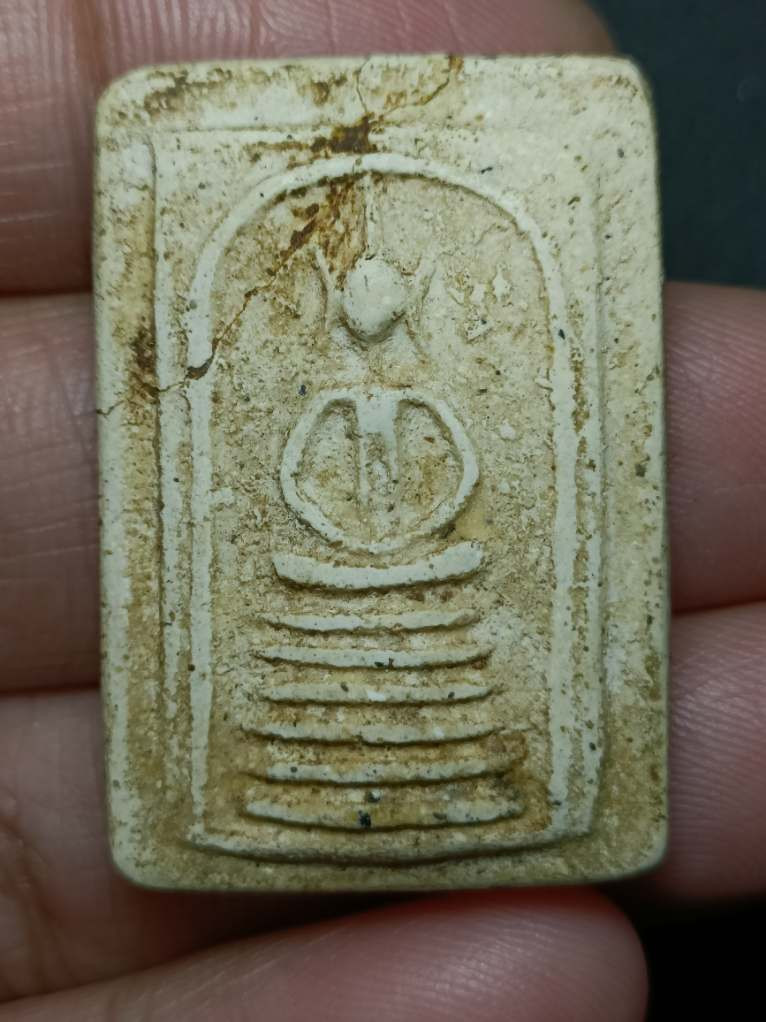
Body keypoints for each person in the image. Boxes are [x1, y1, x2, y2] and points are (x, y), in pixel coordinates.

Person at [0, 1, 763, 1018]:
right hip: (332, 555)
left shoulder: (416, 395)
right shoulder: (331, 395)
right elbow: (292, 477)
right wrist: (339, 526)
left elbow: (451, 468)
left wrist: (409, 525)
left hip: (418, 555)